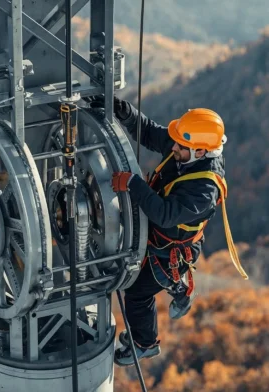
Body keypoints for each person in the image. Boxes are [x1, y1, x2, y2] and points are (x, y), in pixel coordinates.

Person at [102, 96, 248, 366]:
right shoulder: (187, 150)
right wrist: (121, 109)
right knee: (153, 277)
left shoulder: (204, 189)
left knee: (136, 292)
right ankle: (177, 287)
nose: (174, 148)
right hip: (159, 238)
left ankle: (145, 343)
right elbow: (147, 131)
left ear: (201, 152)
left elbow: (165, 214)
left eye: (181, 146)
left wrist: (133, 184)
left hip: (170, 249)